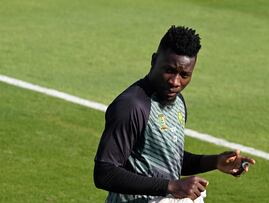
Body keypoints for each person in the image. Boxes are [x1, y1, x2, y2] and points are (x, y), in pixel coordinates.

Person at [93, 25, 255, 203]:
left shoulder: (178, 102)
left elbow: (168, 158)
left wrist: (215, 162)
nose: (175, 82)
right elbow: (104, 173)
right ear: (154, 60)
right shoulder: (132, 106)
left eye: (184, 75)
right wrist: (171, 186)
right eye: (169, 70)